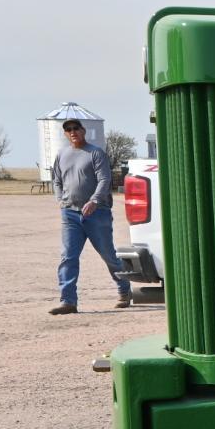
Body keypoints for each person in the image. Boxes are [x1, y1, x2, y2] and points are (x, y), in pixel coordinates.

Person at [49, 117, 132, 315]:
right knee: (68, 256)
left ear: (83, 130)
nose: (72, 132)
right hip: (71, 214)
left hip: (97, 213)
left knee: (108, 255)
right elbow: (57, 180)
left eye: (75, 128)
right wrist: (60, 199)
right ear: (65, 133)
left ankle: (124, 290)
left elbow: (104, 179)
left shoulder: (95, 153)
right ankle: (68, 301)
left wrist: (94, 201)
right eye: (68, 129)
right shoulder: (62, 154)